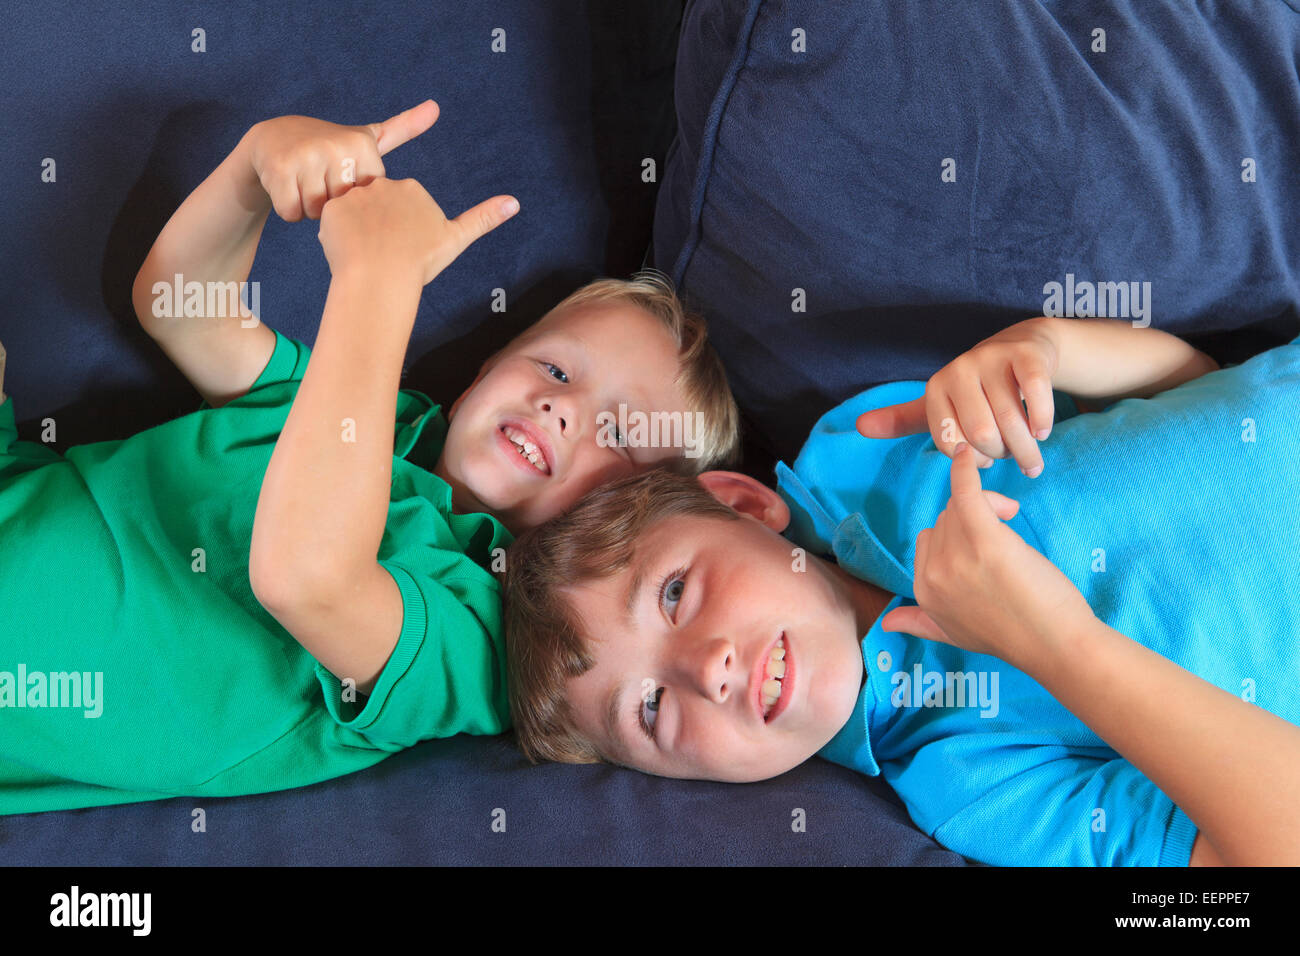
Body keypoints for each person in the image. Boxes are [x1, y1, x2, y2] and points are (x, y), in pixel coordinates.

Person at [0, 100, 739, 816]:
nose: (562, 408)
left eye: (618, 433)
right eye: (552, 369)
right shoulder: (374, 411)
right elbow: (177, 306)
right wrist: (258, 164)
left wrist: (378, 281)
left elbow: (309, 578)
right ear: (480, 378)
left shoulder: (486, 638)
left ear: (633, 523)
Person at [501, 315, 1300, 866]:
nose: (705, 671)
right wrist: (1061, 646)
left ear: (743, 505)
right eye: (651, 708)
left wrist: (1048, 346)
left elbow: (1193, 384)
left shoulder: (861, 450)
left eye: (675, 594)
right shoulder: (965, 779)